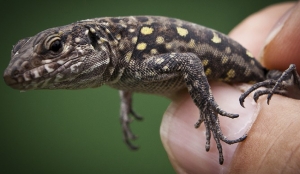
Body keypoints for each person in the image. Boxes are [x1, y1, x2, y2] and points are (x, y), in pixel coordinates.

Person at [160, 2, 300, 173]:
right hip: (258, 76)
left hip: (261, 74)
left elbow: (189, 62)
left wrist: (207, 108)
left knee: (284, 75)